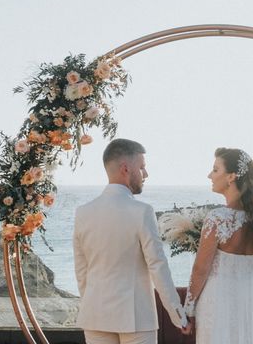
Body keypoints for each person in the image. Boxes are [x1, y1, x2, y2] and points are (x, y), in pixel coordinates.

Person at [73, 138, 191, 344]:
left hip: (94, 314)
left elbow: (81, 271)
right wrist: (178, 315)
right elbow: (158, 266)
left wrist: (91, 302)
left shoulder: (83, 213)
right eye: (142, 167)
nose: (146, 174)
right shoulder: (142, 212)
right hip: (135, 317)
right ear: (126, 168)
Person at [183, 147, 253, 343]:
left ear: (231, 177)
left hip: (216, 303)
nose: (209, 175)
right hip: (247, 302)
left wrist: (188, 310)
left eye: (215, 169)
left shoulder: (217, 218)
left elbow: (200, 269)